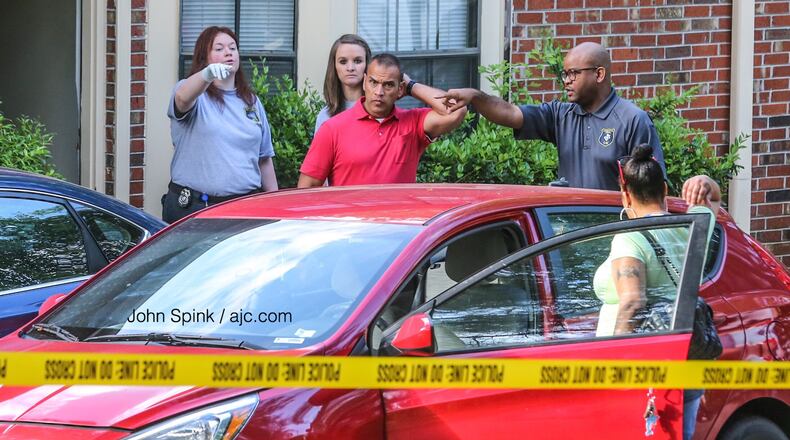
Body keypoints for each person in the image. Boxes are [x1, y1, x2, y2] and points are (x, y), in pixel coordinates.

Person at [591, 144, 720, 440]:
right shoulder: (692, 226)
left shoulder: (628, 239)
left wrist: (611, 371)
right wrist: (702, 180)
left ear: (625, 195)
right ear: (664, 188)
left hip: (644, 372)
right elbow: (714, 197)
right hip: (686, 356)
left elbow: (632, 302)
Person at [439, 42, 665, 191]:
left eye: (573, 73)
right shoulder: (560, 115)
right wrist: (476, 97)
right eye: (564, 74)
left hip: (613, 237)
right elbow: (510, 113)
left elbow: (655, 189)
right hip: (570, 238)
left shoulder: (633, 120)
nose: (566, 80)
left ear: (599, 74)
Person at [297, 53, 467, 188]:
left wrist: (411, 86)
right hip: (350, 228)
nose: (379, 92)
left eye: (388, 85)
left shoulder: (413, 122)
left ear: (400, 89)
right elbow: (306, 189)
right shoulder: (333, 128)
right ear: (364, 82)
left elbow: (456, 109)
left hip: (399, 228)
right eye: (373, 82)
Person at [163, 26, 278, 223]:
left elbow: (264, 159)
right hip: (195, 209)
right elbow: (182, 99)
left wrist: (275, 204)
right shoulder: (194, 96)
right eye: (219, 49)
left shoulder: (251, 101)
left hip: (244, 208)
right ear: (204, 58)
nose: (228, 52)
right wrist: (206, 76)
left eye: (232, 48)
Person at [315, 34, 372, 134]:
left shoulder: (379, 109)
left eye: (357, 61)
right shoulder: (325, 116)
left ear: (367, 64)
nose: (350, 68)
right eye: (343, 62)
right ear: (334, 66)